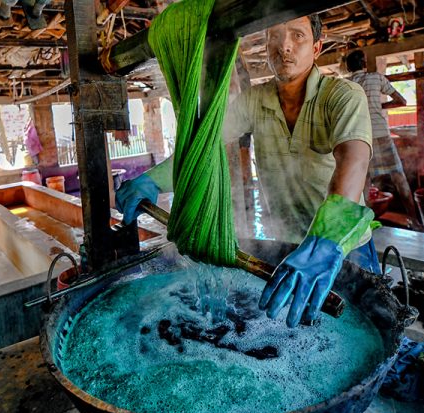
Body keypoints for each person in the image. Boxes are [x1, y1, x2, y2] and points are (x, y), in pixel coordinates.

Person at [116, 15, 379, 328]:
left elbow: (355, 158)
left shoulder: (342, 96)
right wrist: (153, 180)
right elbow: (206, 147)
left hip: (342, 249)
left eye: (297, 36)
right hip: (284, 246)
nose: (284, 46)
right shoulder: (255, 100)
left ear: (317, 47)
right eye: (276, 35)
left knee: (356, 335)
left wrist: (326, 240)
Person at [346, 49, 422, 230]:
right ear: (364, 64)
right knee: (398, 176)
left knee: (364, 180)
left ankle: (364, 225)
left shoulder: (347, 84)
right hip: (380, 133)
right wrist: (380, 106)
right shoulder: (376, 78)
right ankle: (416, 221)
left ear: (348, 67)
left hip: (360, 136)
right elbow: (401, 101)